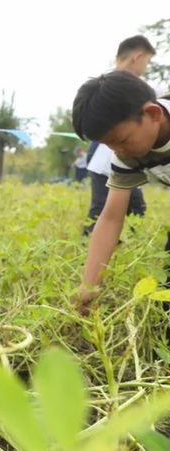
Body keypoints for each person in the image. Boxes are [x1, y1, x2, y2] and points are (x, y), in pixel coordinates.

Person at [71, 70, 170, 314]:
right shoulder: (127, 154)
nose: (118, 151)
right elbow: (112, 216)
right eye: (108, 144)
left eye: (122, 140)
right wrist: (89, 283)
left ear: (152, 114)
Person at [82, 36, 154, 234]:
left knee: (133, 207)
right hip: (105, 161)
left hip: (119, 160)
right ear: (137, 57)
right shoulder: (114, 89)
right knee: (102, 208)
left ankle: (121, 247)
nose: (145, 67)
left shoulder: (109, 86)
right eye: (147, 61)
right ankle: (88, 248)